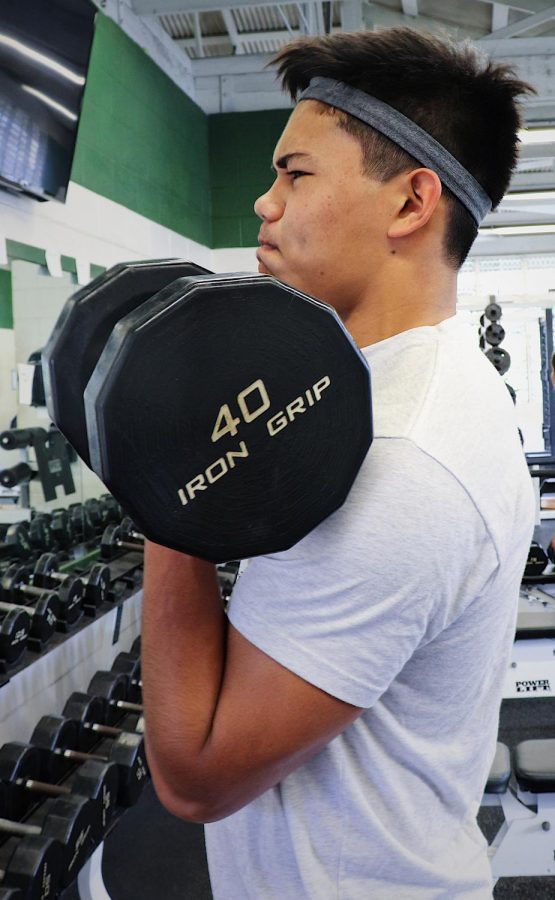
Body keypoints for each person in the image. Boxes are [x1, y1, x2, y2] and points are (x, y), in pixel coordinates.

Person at [142, 28, 536, 899]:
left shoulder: (394, 460)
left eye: (294, 173)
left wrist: (164, 485)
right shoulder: (380, 394)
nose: (262, 202)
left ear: (409, 203)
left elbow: (195, 775)